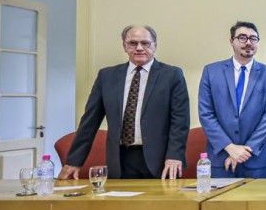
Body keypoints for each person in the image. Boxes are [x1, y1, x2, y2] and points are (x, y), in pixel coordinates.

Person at [59, 25, 189, 179]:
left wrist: (174, 155)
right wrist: (74, 161)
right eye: (133, 43)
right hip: (119, 159)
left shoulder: (172, 75)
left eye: (145, 43)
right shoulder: (106, 76)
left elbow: (180, 121)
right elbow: (89, 122)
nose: (139, 48)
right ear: (124, 46)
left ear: (155, 45)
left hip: (160, 160)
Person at [198, 21, 266, 178]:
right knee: (219, 203)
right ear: (231, 41)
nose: (248, 42)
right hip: (220, 157)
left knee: (257, 203)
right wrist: (230, 148)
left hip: (256, 159)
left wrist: (246, 150)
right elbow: (206, 114)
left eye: (253, 38)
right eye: (242, 37)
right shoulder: (211, 71)